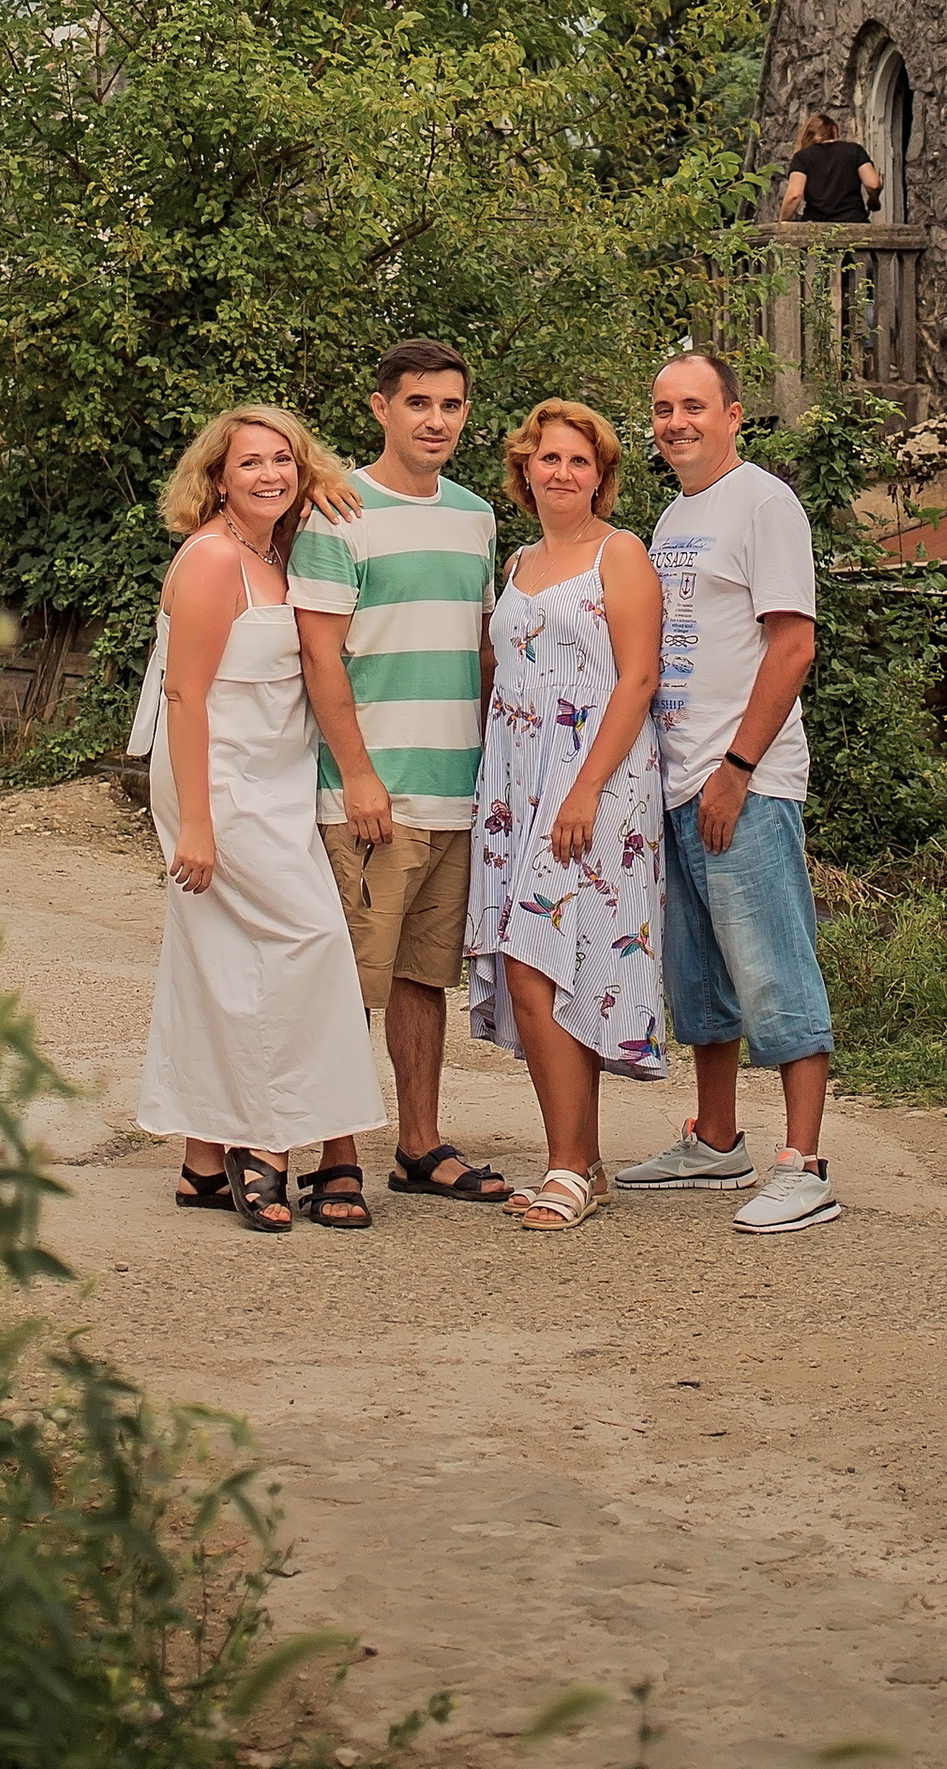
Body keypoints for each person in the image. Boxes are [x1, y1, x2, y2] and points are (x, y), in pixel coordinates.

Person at [134, 406, 385, 1233]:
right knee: (308, 944)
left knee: (220, 958)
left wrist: (322, 496)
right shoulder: (212, 558)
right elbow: (184, 696)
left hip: (275, 779)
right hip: (218, 780)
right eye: (250, 463)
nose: (269, 474)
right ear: (217, 477)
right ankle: (266, 1140)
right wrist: (197, 823)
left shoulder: (278, 549)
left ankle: (202, 1163)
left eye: (284, 459)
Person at [615, 349, 841, 1234]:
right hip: (677, 778)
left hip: (743, 779)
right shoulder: (674, 517)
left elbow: (793, 644)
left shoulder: (764, 503)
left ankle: (804, 1164)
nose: (676, 423)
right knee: (701, 976)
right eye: (663, 409)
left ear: (734, 414)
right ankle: (715, 1141)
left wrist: (738, 770)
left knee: (773, 967)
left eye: (694, 406)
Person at [291, 338, 513, 1208]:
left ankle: (418, 1146)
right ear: (381, 408)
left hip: (456, 791)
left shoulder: (475, 516)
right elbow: (320, 658)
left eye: (451, 405)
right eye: (419, 403)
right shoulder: (338, 511)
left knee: (425, 979)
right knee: (351, 982)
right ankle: (335, 1155)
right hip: (371, 795)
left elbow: (483, 651)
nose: (436, 421)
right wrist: (357, 776)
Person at [466, 397, 666, 1232]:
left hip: (596, 780)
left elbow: (639, 678)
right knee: (547, 965)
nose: (562, 472)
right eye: (549, 457)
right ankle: (582, 1163)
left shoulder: (621, 554)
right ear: (525, 468)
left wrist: (583, 788)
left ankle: (567, 1166)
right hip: (518, 782)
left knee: (538, 960)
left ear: (600, 477)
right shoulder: (516, 562)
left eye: (579, 460)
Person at [780, 112, 882, 227]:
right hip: (854, 222)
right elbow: (873, 184)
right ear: (834, 131)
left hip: (816, 227)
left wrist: (782, 223)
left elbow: (794, 195)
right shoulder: (855, 150)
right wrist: (873, 200)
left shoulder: (802, 157)